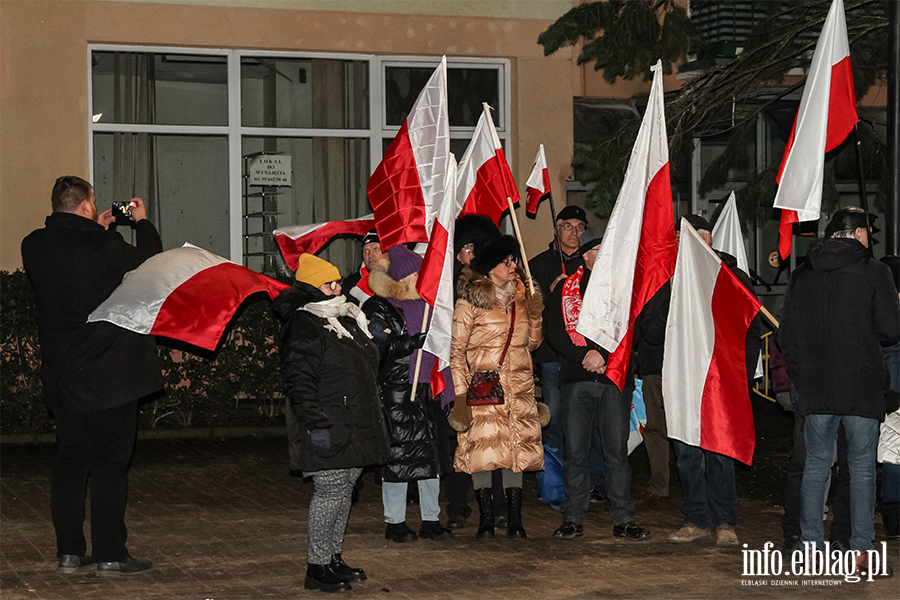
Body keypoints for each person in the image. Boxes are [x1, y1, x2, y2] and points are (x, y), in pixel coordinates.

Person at [21, 175, 163, 575]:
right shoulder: (105, 246)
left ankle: (68, 550)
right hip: (110, 377)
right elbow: (151, 264)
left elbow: (73, 261)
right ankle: (110, 553)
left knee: (70, 460)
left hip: (64, 377)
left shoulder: (33, 245)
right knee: (109, 465)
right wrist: (141, 222)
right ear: (86, 204)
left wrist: (95, 229)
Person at [779, 207, 900, 572]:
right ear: (859, 233)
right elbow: (891, 330)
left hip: (816, 386)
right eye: (869, 232)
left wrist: (802, 378)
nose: (871, 238)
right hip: (861, 385)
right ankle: (861, 549)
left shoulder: (803, 273)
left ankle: (810, 546)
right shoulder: (876, 272)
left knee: (816, 466)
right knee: (861, 468)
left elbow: (788, 336)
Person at [275, 253, 391, 593]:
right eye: (330, 283)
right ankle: (316, 567)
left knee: (344, 492)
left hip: (355, 421)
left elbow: (362, 362)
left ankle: (332, 557)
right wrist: (316, 424)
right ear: (312, 287)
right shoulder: (305, 322)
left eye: (338, 281)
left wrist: (379, 343)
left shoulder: (344, 316)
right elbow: (298, 378)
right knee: (329, 493)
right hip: (328, 422)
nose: (338, 288)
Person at [545, 228, 651, 541]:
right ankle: (573, 517)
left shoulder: (624, 290)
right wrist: (584, 355)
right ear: (589, 254)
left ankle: (623, 519)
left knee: (616, 453)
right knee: (575, 452)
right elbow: (554, 331)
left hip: (614, 379)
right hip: (577, 380)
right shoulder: (566, 288)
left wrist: (603, 356)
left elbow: (632, 329)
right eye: (602, 249)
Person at [667, 215, 759, 547]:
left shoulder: (732, 279)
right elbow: (650, 331)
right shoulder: (669, 282)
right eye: (677, 240)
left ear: (706, 241)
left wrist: (743, 378)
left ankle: (724, 521)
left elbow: (750, 333)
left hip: (722, 381)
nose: (680, 246)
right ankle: (695, 519)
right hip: (683, 379)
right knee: (687, 452)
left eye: (686, 239)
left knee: (720, 450)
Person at [448, 235, 548, 539]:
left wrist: (535, 314)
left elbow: (532, 344)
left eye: (514, 260)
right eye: (506, 261)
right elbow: (456, 352)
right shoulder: (470, 301)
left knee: (515, 449)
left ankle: (515, 520)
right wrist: (460, 395)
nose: (513, 265)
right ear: (491, 267)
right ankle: (486, 520)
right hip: (483, 385)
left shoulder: (523, 296)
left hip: (517, 384)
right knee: (483, 449)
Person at [364, 245, 451, 543]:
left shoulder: (427, 306)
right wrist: (412, 342)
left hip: (425, 388)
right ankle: (395, 521)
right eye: (414, 273)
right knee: (398, 459)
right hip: (396, 391)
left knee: (430, 459)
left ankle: (431, 518)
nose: (419, 278)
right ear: (400, 276)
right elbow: (377, 350)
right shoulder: (378, 308)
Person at [343, 229, 382, 305]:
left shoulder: (400, 281)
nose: (370, 255)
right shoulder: (350, 284)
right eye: (366, 251)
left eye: (376, 249)